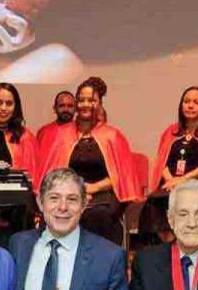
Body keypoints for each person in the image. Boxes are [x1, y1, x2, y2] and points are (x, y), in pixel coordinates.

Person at [40, 77, 141, 245]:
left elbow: (120, 177)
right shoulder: (61, 134)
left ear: (99, 104)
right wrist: (76, 190)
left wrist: (93, 187)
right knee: (55, 213)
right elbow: (54, 172)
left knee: (98, 216)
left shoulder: (113, 135)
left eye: (91, 100)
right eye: (81, 100)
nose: (85, 104)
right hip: (68, 192)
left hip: (102, 194)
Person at [141, 86, 198, 244]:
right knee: (154, 202)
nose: (190, 106)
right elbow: (162, 161)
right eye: (187, 101)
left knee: (178, 200)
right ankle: (167, 245)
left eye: (196, 102)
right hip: (170, 184)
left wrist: (181, 180)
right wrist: (170, 180)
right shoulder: (171, 131)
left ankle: (181, 246)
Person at [36, 91, 77, 158]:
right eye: (61, 106)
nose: (66, 109)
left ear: (75, 109)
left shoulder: (80, 131)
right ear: (55, 108)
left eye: (70, 106)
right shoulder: (44, 132)